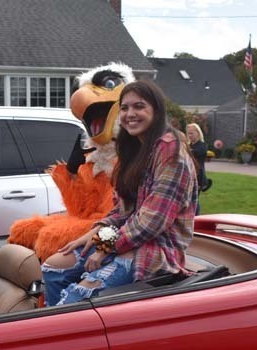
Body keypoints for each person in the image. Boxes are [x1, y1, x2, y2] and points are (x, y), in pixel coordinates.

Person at [41, 80, 198, 306]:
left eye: (139, 107)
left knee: (77, 298)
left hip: (155, 250)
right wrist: (94, 232)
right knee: (53, 268)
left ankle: (67, 333)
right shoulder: (134, 149)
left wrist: (104, 249)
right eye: (124, 108)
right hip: (123, 239)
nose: (129, 114)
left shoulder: (171, 153)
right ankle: (53, 327)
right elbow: (122, 210)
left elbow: (151, 222)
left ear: (157, 110)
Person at [186, 122, 210, 214]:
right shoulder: (189, 146)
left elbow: (194, 153)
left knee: (194, 199)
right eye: (188, 133)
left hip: (198, 177)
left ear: (198, 133)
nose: (190, 135)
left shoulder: (202, 146)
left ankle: (197, 218)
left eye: (192, 133)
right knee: (190, 198)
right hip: (189, 176)